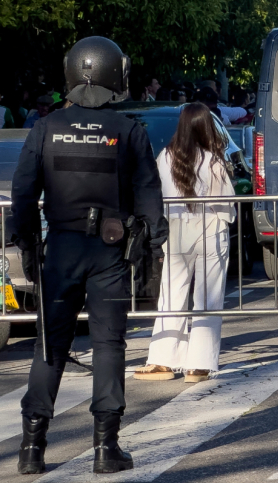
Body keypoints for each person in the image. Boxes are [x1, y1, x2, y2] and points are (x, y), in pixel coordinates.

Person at [12, 36, 167, 475]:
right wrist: (152, 250)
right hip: (109, 253)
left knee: (50, 349)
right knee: (108, 348)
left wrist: (25, 244)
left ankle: (30, 449)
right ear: (115, 74)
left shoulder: (46, 127)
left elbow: (24, 193)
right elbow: (148, 198)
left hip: (60, 250)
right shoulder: (129, 131)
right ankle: (105, 449)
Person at [135, 103, 235, 384]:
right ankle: (199, 365)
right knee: (207, 299)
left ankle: (163, 360)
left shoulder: (166, 156)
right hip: (210, 231)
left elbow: (156, 193)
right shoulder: (212, 159)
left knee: (171, 295)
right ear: (206, 127)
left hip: (175, 231)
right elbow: (225, 204)